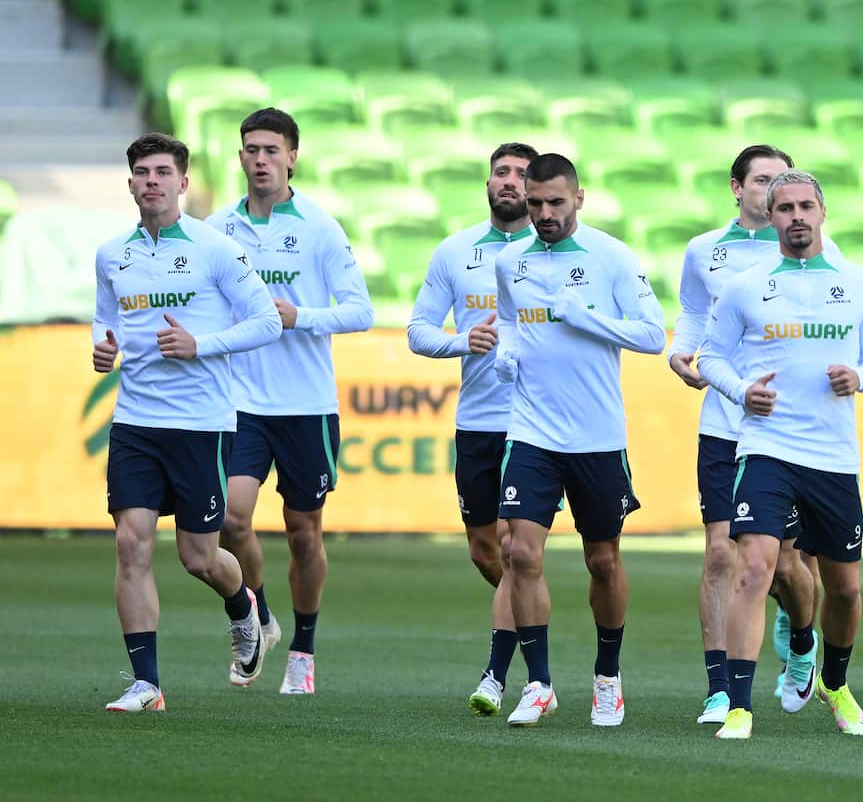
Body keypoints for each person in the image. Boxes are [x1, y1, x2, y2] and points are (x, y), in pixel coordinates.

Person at [93, 133, 282, 712]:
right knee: (131, 544)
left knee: (199, 557)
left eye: (162, 172)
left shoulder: (215, 248)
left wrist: (201, 344)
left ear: (182, 182)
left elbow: (268, 321)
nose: (151, 180)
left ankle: (245, 607)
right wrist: (103, 351)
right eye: (142, 172)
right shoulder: (110, 254)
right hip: (135, 422)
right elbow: (107, 323)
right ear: (130, 184)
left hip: (201, 423)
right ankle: (147, 683)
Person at [697, 169, 863, 740]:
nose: (797, 216)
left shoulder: (859, 283)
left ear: (823, 212)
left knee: (846, 588)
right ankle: (738, 704)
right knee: (754, 567)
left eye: (807, 206)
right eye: (785, 208)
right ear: (771, 215)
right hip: (765, 449)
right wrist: (741, 392)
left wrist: (860, 376)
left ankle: (835, 681)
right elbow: (710, 357)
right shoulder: (746, 286)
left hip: (833, 456)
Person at [494, 153, 665, 728]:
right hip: (531, 429)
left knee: (602, 559)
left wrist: (588, 317)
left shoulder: (611, 257)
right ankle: (539, 682)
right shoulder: (510, 261)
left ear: (579, 199)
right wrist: (507, 350)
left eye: (555, 203)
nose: (543, 213)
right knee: (518, 552)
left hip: (595, 435)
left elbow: (650, 335)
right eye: (535, 202)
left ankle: (608, 678)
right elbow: (511, 320)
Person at [209, 108, 374, 694]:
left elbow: (361, 311)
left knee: (304, 532)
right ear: (240, 157)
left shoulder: (319, 228)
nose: (260, 160)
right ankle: (259, 613)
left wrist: (299, 316)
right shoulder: (217, 229)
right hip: (239, 403)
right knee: (230, 519)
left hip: (305, 405)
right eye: (251, 149)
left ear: (292, 157)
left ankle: (302, 649)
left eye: (271, 150)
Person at [668, 145, 821, 725]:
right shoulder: (705, 250)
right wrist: (681, 354)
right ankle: (718, 687)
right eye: (762, 180)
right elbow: (691, 314)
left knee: (783, 566)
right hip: (724, 422)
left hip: (785, 429)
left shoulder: (810, 255)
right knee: (719, 552)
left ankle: (803, 639)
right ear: (737, 186)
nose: (771, 190)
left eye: (781, 181)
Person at [408, 141, 551, 716]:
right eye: (502, 172)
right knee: (485, 549)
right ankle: (530, 605)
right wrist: (461, 341)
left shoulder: (557, 253)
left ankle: (500, 675)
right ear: (488, 183)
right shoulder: (455, 251)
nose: (511, 181)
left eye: (521, 173)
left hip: (538, 422)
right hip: (478, 419)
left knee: (519, 551)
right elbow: (418, 330)